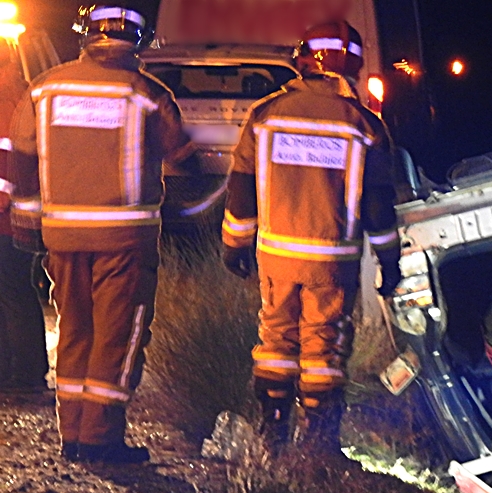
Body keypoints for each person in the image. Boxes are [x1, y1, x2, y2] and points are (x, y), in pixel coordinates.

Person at [8, 4, 196, 463]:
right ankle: (100, 438)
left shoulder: (44, 89)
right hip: (124, 241)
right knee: (118, 336)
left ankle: (72, 436)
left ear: (85, 35)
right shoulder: (148, 94)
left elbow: (23, 161)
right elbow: (182, 160)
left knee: (75, 331)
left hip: (62, 239)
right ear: (138, 39)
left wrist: (27, 222)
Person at [221, 20, 402, 455]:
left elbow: (241, 187)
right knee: (324, 349)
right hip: (331, 261)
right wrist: (389, 260)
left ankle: (272, 433)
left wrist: (234, 244)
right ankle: (319, 444)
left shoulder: (265, 115)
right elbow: (378, 205)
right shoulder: (365, 125)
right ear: (354, 66)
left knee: (275, 341)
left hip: (276, 256)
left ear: (303, 61)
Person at [0, 42, 49, 396]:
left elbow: (7, 163)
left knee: (13, 292)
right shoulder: (26, 96)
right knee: (15, 291)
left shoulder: (7, 103)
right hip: (20, 216)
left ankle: (26, 372)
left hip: (6, 217)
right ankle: (19, 369)